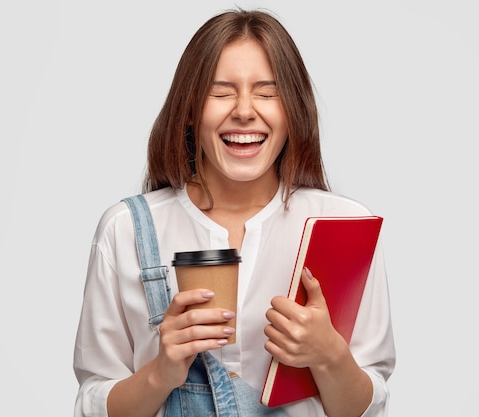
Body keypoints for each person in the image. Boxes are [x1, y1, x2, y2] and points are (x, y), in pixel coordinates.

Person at [73, 8, 395, 417]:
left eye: (267, 92)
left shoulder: (344, 227)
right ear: (189, 110)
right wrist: (161, 371)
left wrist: (329, 354)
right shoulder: (126, 230)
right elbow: (92, 403)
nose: (244, 110)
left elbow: (369, 406)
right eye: (221, 92)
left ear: (293, 109)